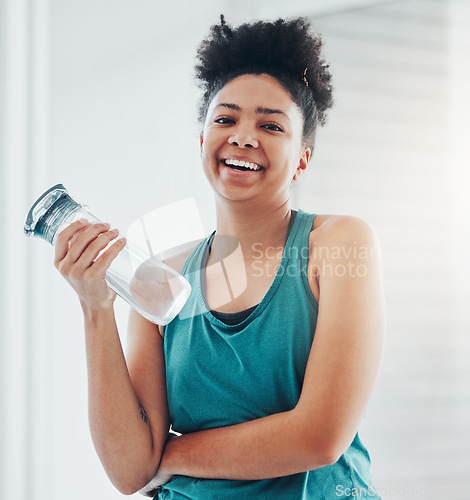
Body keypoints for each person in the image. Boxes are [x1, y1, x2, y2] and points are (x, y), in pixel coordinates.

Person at [54, 15, 386, 499]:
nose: (244, 136)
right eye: (225, 119)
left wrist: (172, 456)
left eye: (270, 125)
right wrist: (95, 305)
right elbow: (129, 470)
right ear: (202, 141)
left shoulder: (338, 243)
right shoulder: (162, 272)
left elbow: (320, 437)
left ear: (302, 159)